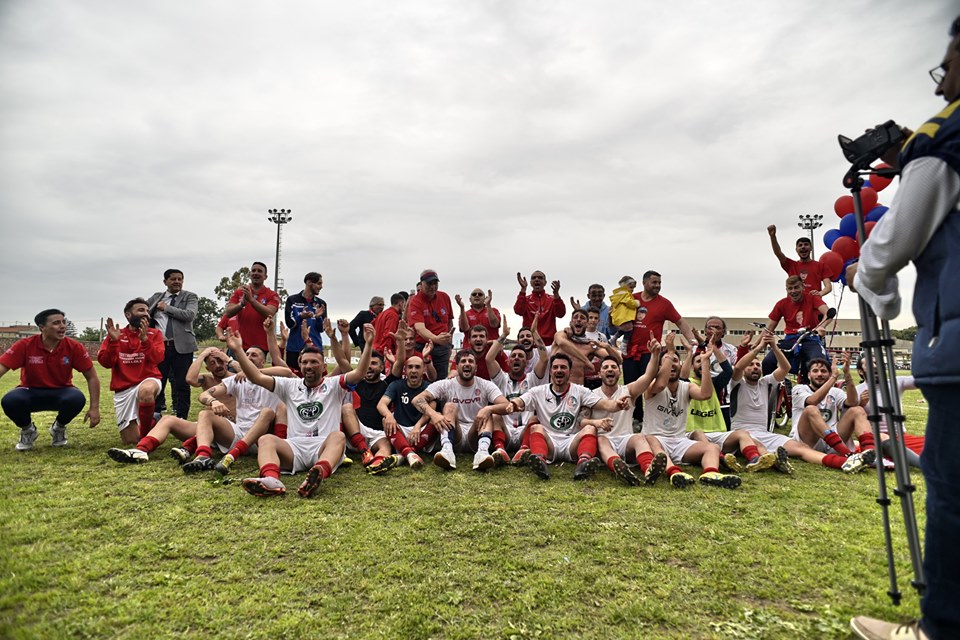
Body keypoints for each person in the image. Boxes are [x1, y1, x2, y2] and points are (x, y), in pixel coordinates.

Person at [848, 16, 960, 638]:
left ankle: (940, 628)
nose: (943, 88)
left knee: (952, 494)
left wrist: (882, 302)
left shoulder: (943, 140)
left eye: (947, 66)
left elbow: (884, 251)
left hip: (957, 341)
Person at [229, 322, 377, 498]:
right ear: (300, 366)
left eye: (314, 362)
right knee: (266, 439)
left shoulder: (334, 384)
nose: (308, 366)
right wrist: (238, 350)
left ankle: (319, 473)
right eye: (305, 362)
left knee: (338, 437)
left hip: (324, 446)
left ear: (323, 368)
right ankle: (271, 480)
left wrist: (368, 345)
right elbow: (257, 377)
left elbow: (359, 373)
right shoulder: (289, 385)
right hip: (295, 447)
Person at [729, 332, 861, 474]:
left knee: (801, 448)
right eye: (750, 365)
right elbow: (737, 368)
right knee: (759, 446)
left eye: (757, 365)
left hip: (765, 434)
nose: (755, 367)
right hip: (742, 434)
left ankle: (845, 462)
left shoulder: (766, 383)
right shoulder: (737, 383)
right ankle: (766, 459)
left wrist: (774, 346)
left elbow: (785, 368)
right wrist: (760, 347)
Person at [494, 352, 632, 481]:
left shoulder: (579, 391)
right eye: (555, 367)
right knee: (536, 427)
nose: (559, 370)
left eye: (563, 367)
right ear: (551, 372)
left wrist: (617, 405)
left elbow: (604, 404)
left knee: (590, 428)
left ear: (570, 372)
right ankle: (539, 462)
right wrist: (514, 403)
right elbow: (522, 400)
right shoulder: (538, 391)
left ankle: (583, 464)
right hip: (549, 442)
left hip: (571, 442)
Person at [106, 346, 236, 465]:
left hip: (231, 430)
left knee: (206, 415)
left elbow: (253, 375)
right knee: (167, 419)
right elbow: (190, 379)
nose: (218, 365)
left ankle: (196, 452)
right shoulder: (207, 379)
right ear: (207, 368)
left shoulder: (238, 378)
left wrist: (228, 359)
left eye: (220, 361)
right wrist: (202, 356)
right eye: (212, 363)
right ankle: (141, 450)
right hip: (208, 427)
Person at [641, 335, 741, 489]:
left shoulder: (686, 387)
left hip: (679, 440)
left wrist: (705, 362)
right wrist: (670, 350)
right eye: (668, 362)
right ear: (661, 367)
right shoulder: (652, 386)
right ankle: (674, 472)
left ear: (681, 365)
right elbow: (661, 385)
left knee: (712, 447)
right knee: (651, 441)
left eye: (675, 361)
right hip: (656, 440)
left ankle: (710, 473)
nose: (673, 365)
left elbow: (706, 394)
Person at [1, 308, 100, 450]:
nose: (62, 326)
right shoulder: (25, 345)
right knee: (10, 400)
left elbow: (92, 377)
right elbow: (1, 368)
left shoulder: (74, 346)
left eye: (63, 322)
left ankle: (58, 429)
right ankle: (28, 430)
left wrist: (94, 408)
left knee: (76, 398)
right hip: (31, 391)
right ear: (42, 328)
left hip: (61, 392)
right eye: (56, 323)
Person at [412, 350, 511, 471]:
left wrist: (489, 408)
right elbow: (417, 399)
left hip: (476, 434)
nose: (467, 364)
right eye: (463, 361)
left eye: (471, 361)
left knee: (488, 412)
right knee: (449, 406)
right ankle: (447, 451)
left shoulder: (485, 385)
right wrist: (433, 415)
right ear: (457, 367)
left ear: (476, 367)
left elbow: (507, 406)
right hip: (455, 434)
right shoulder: (446, 385)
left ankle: (482, 453)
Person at [623, 271, 697, 423]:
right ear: (644, 283)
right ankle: (632, 420)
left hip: (651, 353)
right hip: (630, 351)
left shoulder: (664, 304)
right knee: (630, 387)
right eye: (654, 282)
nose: (657, 286)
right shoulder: (632, 299)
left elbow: (680, 322)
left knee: (651, 386)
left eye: (659, 283)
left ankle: (651, 420)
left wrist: (692, 340)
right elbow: (618, 315)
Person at [789, 354, 875, 473]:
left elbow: (853, 402)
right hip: (808, 441)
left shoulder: (835, 391)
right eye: (815, 371)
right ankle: (847, 454)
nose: (819, 374)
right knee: (811, 409)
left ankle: (869, 453)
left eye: (824, 371)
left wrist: (847, 374)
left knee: (857, 410)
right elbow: (812, 401)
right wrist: (834, 377)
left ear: (828, 374)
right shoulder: (799, 389)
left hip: (832, 440)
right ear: (809, 375)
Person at [97, 299, 165, 444]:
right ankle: (155, 418)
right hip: (123, 388)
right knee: (130, 440)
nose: (146, 314)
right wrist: (113, 342)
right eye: (141, 310)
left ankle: (146, 437)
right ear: (128, 315)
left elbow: (158, 359)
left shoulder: (155, 334)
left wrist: (145, 340)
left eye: (147, 311)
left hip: (148, 380)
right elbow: (106, 363)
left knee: (146, 392)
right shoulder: (116, 334)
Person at [146, 268, 198, 419]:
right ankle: (155, 415)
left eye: (179, 279)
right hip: (159, 346)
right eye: (173, 279)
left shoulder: (190, 297)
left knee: (182, 383)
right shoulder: (157, 297)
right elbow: (144, 311)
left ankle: (182, 417)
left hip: (181, 347)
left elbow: (189, 315)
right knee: (157, 381)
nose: (177, 282)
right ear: (165, 281)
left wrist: (166, 308)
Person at [762, 275, 831, 377]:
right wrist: (757, 344)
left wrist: (821, 326)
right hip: (790, 339)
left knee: (818, 364)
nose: (793, 291)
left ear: (803, 287)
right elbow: (769, 328)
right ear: (786, 289)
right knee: (768, 362)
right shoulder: (782, 304)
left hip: (810, 338)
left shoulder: (812, 298)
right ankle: (771, 389)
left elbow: (828, 313)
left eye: (796, 287)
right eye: (790, 288)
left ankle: (815, 390)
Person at [407, 269, 455, 378]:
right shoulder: (415, 301)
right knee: (422, 378)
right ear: (422, 284)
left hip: (442, 347)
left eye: (435, 283)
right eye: (429, 283)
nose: (433, 286)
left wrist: (448, 342)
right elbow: (419, 328)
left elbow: (449, 321)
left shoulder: (444, 297)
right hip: (423, 346)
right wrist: (436, 338)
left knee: (441, 379)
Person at [223, 262, 280, 352]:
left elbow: (270, 312)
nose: (256, 273)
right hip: (238, 345)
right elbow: (228, 312)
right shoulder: (240, 291)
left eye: (259, 271)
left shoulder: (272, 295)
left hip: (260, 348)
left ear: (265, 276)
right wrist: (241, 304)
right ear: (249, 275)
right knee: (233, 366)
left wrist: (251, 300)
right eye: (253, 271)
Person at [767, 225, 832, 297]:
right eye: (800, 245)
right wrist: (773, 237)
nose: (803, 247)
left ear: (811, 248)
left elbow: (828, 286)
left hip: (813, 304)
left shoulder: (821, 266)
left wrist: (820, 293)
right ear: (796, 250)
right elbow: (778, 253)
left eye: (806, 244)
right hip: (794, 305)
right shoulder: (791, 265)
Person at [283, 272, 326, 371]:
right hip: (294, 349)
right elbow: (290, 324)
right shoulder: (292, 300)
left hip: (315, 349)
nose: (321, 287)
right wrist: (301, 317)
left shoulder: (321, 303)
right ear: (309, 282)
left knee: (315, 380)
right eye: (319, 283)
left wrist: (318, 317)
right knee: (293, 381)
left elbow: (321, 329)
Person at [514, 270, 565, 345]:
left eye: (540, 278)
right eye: (534, 278)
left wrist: (556, 294)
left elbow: (561, 314)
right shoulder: (525, 299)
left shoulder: (552, 299)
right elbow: (518, 311)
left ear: (545, 282)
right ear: (531, 283)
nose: (537, 279)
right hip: (530, 343)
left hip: (549, 343)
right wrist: (523, 289)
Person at [609, 275, 639, 349]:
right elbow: (629, 302)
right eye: (631, 288)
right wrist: (636, 303)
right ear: (626, 286)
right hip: (624, 317)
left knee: (623, 330)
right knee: (629, 330)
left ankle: (613, 339)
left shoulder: (618, 295)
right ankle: (624, 344)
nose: (632, 290)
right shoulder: (625, 294)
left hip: (619, 317)